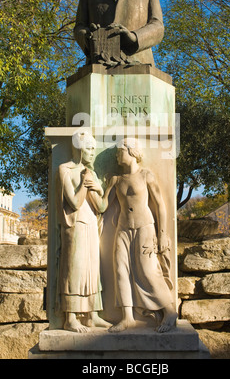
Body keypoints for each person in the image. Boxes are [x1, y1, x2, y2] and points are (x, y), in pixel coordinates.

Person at [84, 138, 177, 333]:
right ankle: (127, 317)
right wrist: (92, 186)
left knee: (148, 270)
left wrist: (162, 235)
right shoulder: (115, 180)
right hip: (123, 229)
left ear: (132, 152)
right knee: (121, 270)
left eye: (120, 152)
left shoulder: (146, 175)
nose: (117, 156)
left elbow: (160, 205)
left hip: (145, 227)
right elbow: (102, 206)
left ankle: (169, 311)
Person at [56, 131, 111, 332]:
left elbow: (102, 207)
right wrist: (85, 184)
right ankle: (70, 318)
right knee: (74, 269)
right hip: (75, 225)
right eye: (88, 148)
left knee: (92, 269)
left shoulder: (92, 173)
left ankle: (92, 315)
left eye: (93, 149)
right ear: (78, 148)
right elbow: (75, 202)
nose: (92, 153)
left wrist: (97, 187)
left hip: (90, 224)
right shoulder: (64, 170)